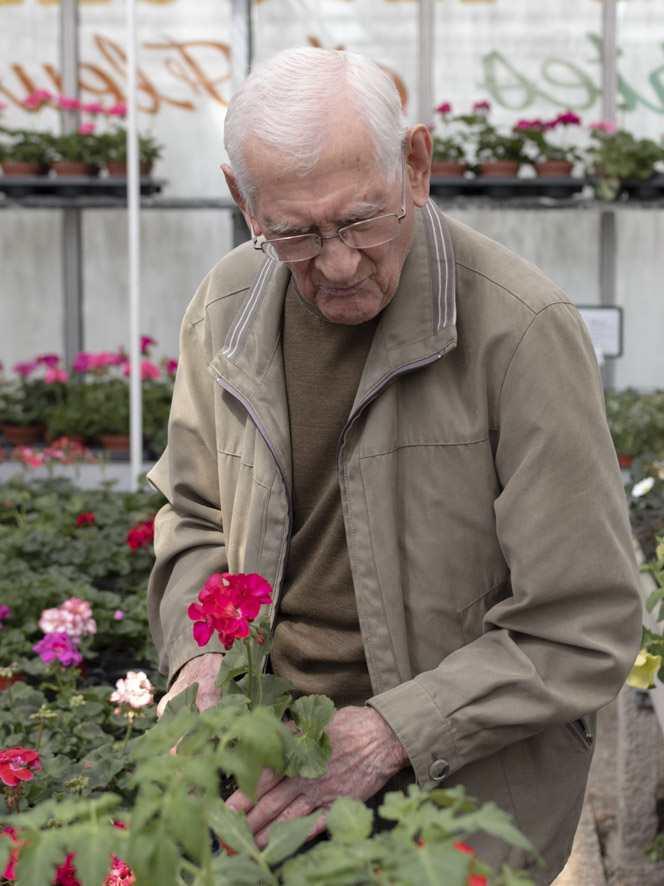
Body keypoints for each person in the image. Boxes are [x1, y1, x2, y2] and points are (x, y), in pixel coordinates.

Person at [146, 47, 642, 884]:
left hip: (454, 792)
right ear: (243, 202)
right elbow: (194, 514)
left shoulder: (519, 330)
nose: (338, 263)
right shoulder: (227, 308)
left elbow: (582, 620)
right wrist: (200, 655)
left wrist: (387, 735)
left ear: (415, 166)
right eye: (296, 232)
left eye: (361, 220)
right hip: (264, 773)